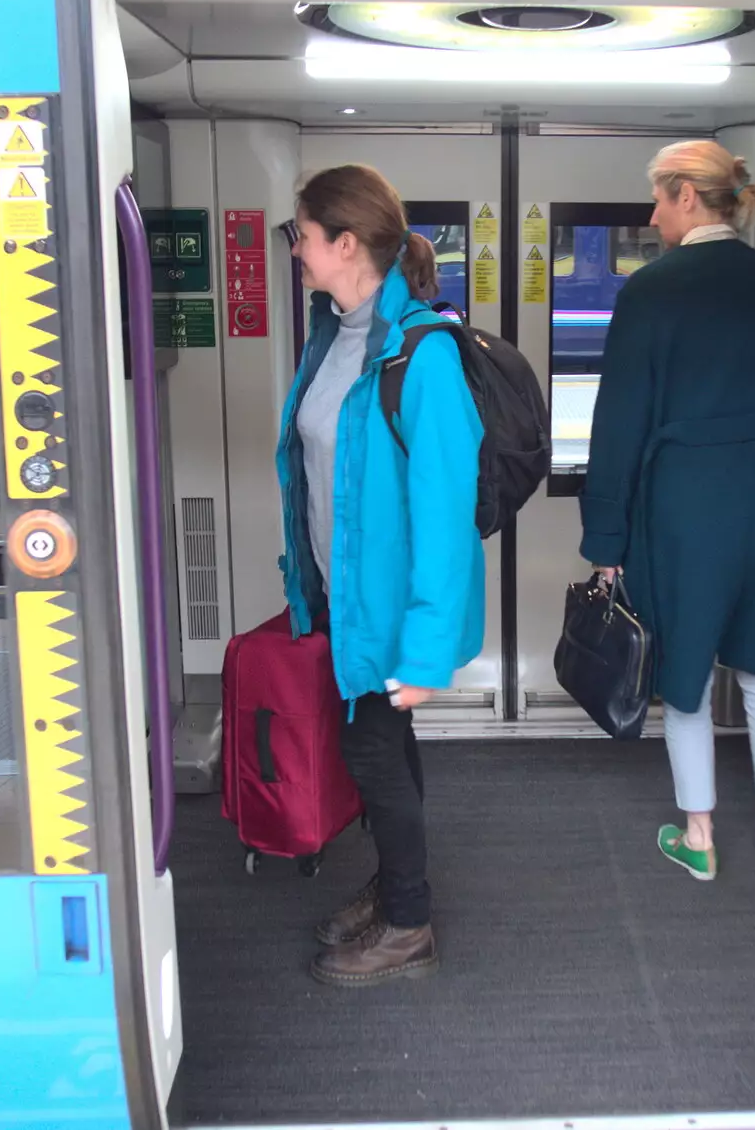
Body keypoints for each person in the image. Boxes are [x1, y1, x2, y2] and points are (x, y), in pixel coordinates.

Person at [579, 140, 755, 882]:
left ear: (687, 194)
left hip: (687, 504)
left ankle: (701, 836)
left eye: (658, 199)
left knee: (683, 673)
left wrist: (606, 534)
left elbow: (620, 420)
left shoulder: (651, 290)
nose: (653, 216)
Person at [277, 165, 485, 985]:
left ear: (347, 242)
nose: (296, 249)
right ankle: (395, 886)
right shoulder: (334, 334)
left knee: (372, 754)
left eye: (303, 234)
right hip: (344, 591)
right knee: (384, 748)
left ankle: (409, 923)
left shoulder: (420, 354)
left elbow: (444, 515)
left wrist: (428, 652)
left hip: (393, 609)